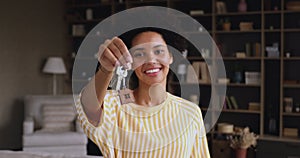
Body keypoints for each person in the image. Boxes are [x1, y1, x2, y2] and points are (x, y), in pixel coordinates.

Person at [74, 28, 211, 157]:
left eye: (158, 51)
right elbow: (88, 106)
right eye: (139, 54)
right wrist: (105, 69)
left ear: (170, 56)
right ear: (131, 62)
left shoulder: (190, 112)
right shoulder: (116, 104)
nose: (151, 60)